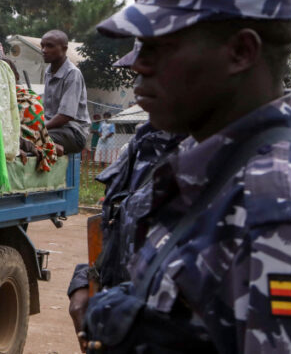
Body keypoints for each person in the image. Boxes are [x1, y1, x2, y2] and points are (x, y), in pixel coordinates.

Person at [80, 0, 291, 353]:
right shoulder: (209, 169)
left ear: (240, 51)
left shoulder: (276, 204)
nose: (139, 64)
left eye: (162, 45)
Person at [67, 42, 186, 350]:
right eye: (136, 72)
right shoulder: (143, 144)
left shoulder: (240, 163)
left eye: (154, 70)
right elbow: (119, 229)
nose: (138, 84)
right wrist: (86, 282)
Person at [40, 30, 89, 154]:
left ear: (64, 48)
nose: (44, 50)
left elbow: (65, 115)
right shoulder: (48, 72)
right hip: (54, 129)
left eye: (50, 46)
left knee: (33, 138)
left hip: (73, 131)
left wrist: (40, 128)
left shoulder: (72, 74)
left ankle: (55, 148)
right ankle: (52, 146)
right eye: (43, 45)